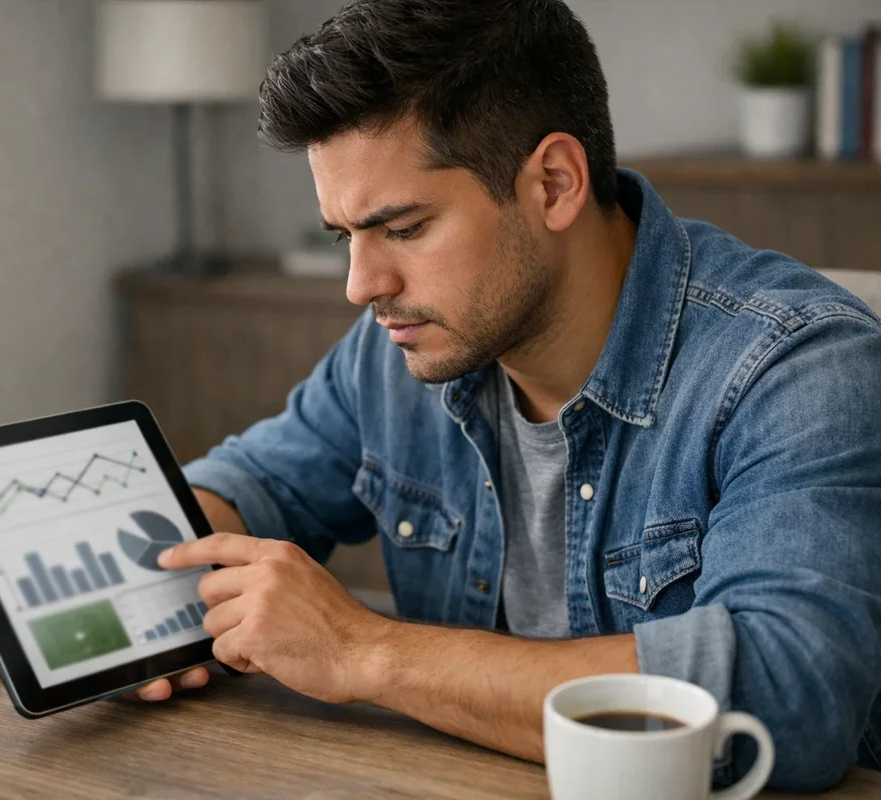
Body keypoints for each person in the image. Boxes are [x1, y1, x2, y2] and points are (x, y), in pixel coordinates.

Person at [126, 0, 881, 790]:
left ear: (554, 184)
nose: (361, 285)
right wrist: (138, 605)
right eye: (344, 236)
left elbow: (790, 694)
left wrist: (363, 650)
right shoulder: (400, 349)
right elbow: (252, 489)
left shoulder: (798, 368)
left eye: (404, 229)